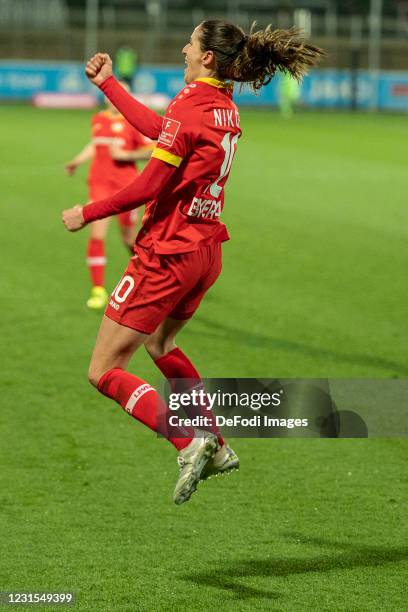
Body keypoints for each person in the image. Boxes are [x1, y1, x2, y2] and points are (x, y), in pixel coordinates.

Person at [62, 22, 324, 504]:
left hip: (166, 253)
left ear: (207, 58)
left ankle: (189, 440)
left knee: (103, 371)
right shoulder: (225, 107)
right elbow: (165, 132)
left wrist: (87, 212)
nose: (184, 47)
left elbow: (147, 187)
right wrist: (109, 86)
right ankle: (217, 444)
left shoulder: (190, 104)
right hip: (206, 250)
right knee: (161, 343)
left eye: (191, 42)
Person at [65, 86, 154, 309]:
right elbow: (96, 145)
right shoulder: (98, 119)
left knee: (128, 238)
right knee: (97, 233)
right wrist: (77, 160)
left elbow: (153, 149)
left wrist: (127, 155)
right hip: (99, 185)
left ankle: (150, 275)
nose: (112, 98)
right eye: (110, 94)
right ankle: (98, 290)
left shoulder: (133, 122)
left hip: (126, 189)